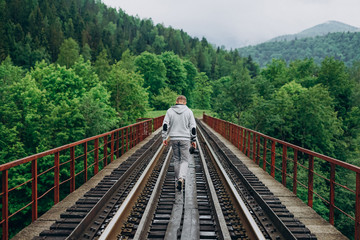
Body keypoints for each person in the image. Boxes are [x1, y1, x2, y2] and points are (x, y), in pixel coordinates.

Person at [162, 95, 197, 191]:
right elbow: (193, 128)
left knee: (177, 159)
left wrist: (164, 137)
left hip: (173, 138)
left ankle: (178, 179)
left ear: (176, 101)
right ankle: (181, 178)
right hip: (185, 138)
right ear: (185, 102)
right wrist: (193, 140)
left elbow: (165, 125)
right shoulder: (189, 112)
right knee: (185, 160)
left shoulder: (170, 111)